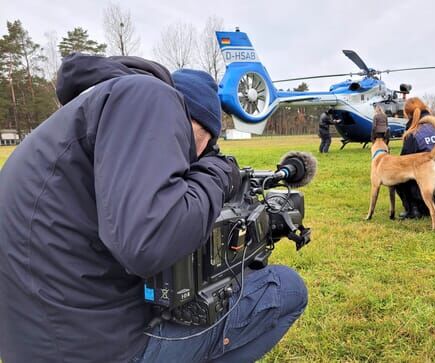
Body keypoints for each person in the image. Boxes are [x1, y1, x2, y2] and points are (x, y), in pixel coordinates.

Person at [0, 53, 307, 363]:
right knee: (285, 288)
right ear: (195, 123)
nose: (197, 159)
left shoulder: (83, 115)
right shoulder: (150, 97)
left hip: (34, 343)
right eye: (205, 147)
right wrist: (216, 170)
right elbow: (150, 241)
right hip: (98, 350)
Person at [396, 97, 435, 220]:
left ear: (408, 114)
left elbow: (402, 164)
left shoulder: (414, 134)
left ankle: (413, 209)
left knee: (397, 174)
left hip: (430, 195)